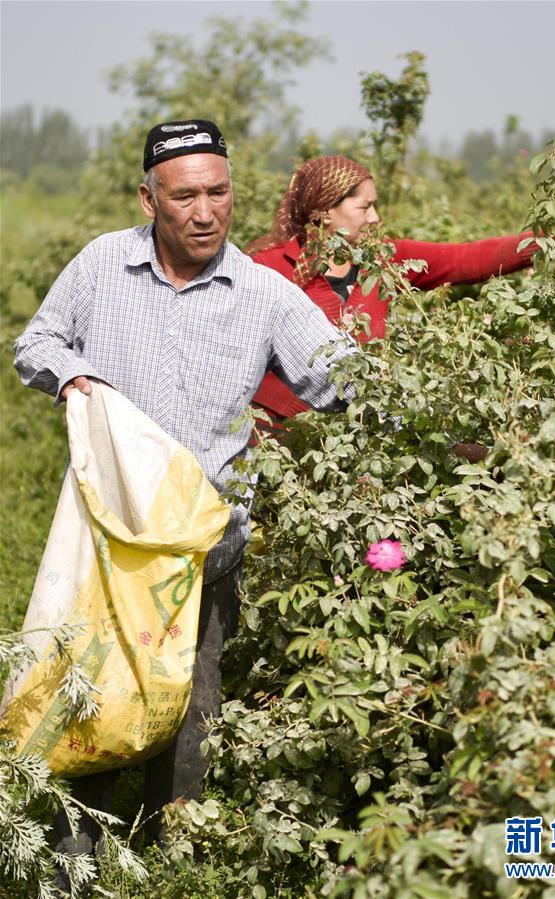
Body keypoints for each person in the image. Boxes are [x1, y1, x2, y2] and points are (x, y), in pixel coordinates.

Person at [13, 121, 358, 880]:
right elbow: (36, 344)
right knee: (92, 696)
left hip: (206, 547)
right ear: (150, 199)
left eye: (219, 193)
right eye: (185, 197)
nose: (206, 213)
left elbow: (344, 378)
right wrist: (74, 377)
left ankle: (177, 863)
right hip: (111, 545)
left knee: (192, 708)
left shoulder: (264, 294)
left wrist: (438, 415)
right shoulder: (103, 265)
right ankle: (77, 863)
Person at [246, 155, 539, 429]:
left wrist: (544, 241)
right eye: (364, 208)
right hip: (276, 433)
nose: (375, 218)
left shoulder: (382, 260)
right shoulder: (268, 269)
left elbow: (464, 259)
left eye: (375, 206)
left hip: (359, 428)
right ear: (325, 211)